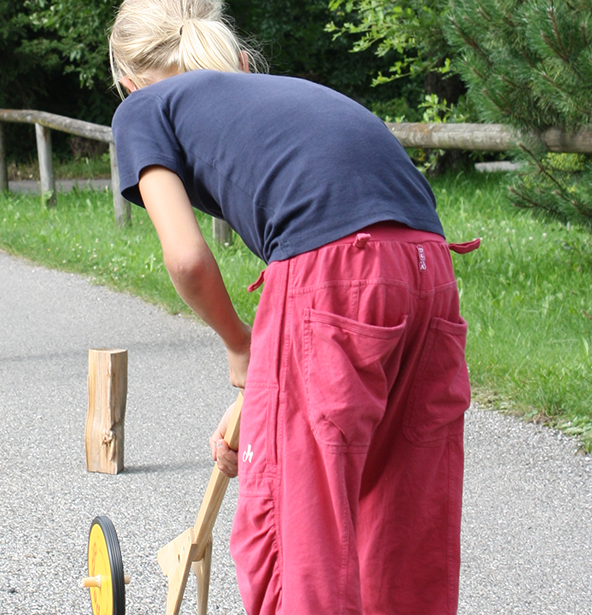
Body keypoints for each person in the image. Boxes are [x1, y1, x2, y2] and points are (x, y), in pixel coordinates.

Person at [108, 1, 477, 614]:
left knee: (296, 522)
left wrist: (239, 345)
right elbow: (345, 268)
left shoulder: (141, 108)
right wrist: (256, 401)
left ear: (126, 79)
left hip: (329, 272)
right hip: (428, 269)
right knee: (408, 509)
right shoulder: (284, 95)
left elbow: (188, 260)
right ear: (238, 60)